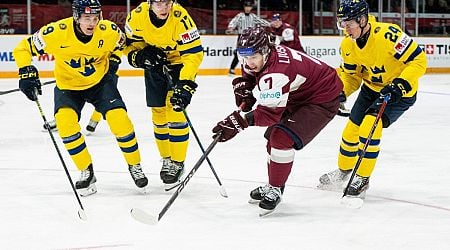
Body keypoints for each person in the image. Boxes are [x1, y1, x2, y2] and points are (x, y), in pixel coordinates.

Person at [13, 0, 148, 196]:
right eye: (86, 18)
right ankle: (86, 170)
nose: (92, 23)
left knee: (120, 121)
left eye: (95, 17)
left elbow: (123, 46)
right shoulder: (56, 32)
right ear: (76, 17)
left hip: (100, 84)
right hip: (68, 86)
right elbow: (22, 48)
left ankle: (135, 165)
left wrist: (128, 58)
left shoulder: (108, 30)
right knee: (65, 125)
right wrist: (26, 71)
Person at [212, 26, 343, 215]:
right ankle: (274, 184)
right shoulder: (260, 57)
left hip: (322, 98)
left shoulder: (276, 73)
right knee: (273, 136)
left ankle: (275, 187)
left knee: (281, 138)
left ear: (265, 51)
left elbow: (269, 113)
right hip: (299, 92)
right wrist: (245, 88)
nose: (248, 62)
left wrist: (239, 121)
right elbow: (249, 73)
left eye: (253, 57)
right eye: (244, 56)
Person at [317, 0, 427, 200]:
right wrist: (341, 93)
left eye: (348, 23)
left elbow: (419, 60)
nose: (345, 29)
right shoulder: (348, 44)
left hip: (398, 91)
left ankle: (362, 178)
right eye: (342, 24)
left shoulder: (388, 35)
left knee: (369, 127)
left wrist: (401, 83)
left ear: (362, 19)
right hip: (371, 89)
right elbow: (351, 76)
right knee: (351, 132)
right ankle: (343, 171)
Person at [124, 0, 204, 187]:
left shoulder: (180, 18)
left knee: (175, 110)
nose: (164, 8)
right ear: (150, 3)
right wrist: (141, 56)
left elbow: (193, 54)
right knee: (158, 113)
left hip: (179, 64)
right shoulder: (136, 16)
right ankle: (166, 158)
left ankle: (177, 161)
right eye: (159, 4)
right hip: (155, 63)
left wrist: (185, 83)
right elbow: (128, 46)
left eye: (167, 3)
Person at [226, 0, 270, 76]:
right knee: (239, 53)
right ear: (244, 7)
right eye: (246, 6)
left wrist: (270, 24)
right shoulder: (240, 16)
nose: (247, 8)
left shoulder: (253, 16)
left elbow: (261, 21)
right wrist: (231, 27)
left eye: (249, 7)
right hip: (242, 37)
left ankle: (251, 69)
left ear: (251, 8)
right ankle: (232, 69)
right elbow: (233, 22)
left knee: (252, 53)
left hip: (252, 38)